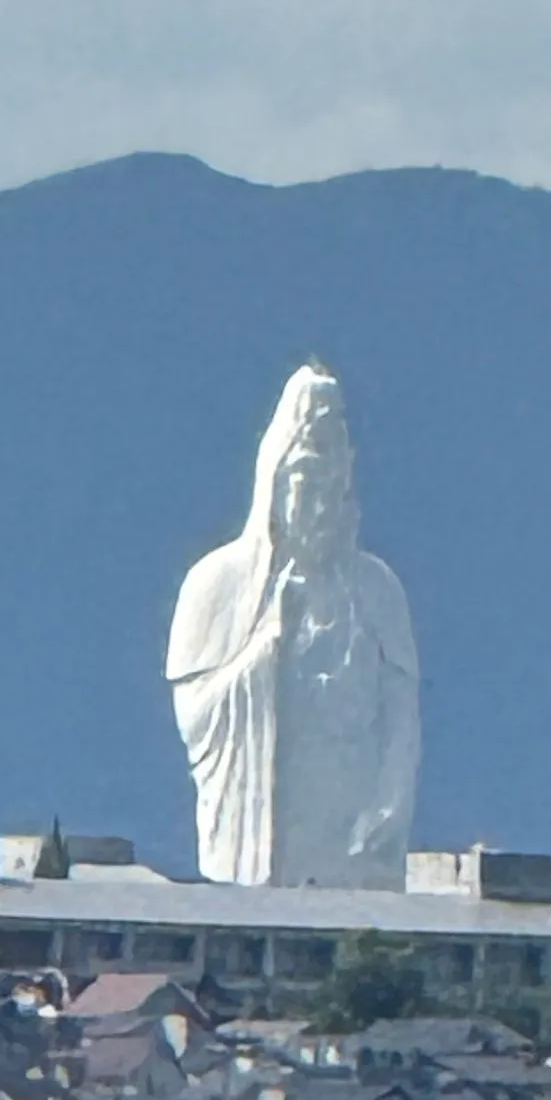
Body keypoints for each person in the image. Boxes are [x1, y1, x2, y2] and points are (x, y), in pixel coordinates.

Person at [167, 364, 419, 886]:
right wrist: (266, 650)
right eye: (307, 484)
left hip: (352, 829)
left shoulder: (377, 589)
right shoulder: (216, 582)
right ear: (275, 485)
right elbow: (195, 716)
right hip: (264, 829)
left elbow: (402, 714)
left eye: (336, 487)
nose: (322, 506)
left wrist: (392, 799)